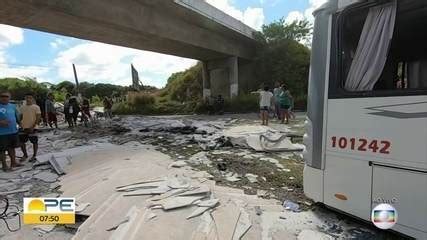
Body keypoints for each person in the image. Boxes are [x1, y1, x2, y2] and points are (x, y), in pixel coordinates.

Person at [0, 91, 22, 171]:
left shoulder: (12, 106)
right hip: (2, 133)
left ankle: (13, 162)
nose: (4, 98)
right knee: (2, 150)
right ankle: (4, 166)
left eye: (6, 96)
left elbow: (16, 116)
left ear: (9, 98)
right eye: (2, 96)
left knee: (12, 148)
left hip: (13, 131)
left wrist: (20, 124)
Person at [19, 93, 41, 162]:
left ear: (32, 99)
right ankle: (25, 155)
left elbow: (38, 118)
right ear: (25, 98)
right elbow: (20, 117)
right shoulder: (22, 107)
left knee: (34, 142)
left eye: (30, 98)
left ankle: (34, 155)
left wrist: (33, 126)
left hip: (33, 128)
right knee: (21, 142)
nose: (28, 99)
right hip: (23, 127)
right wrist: (20, 124)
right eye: (27, 98)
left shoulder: (36, 107)